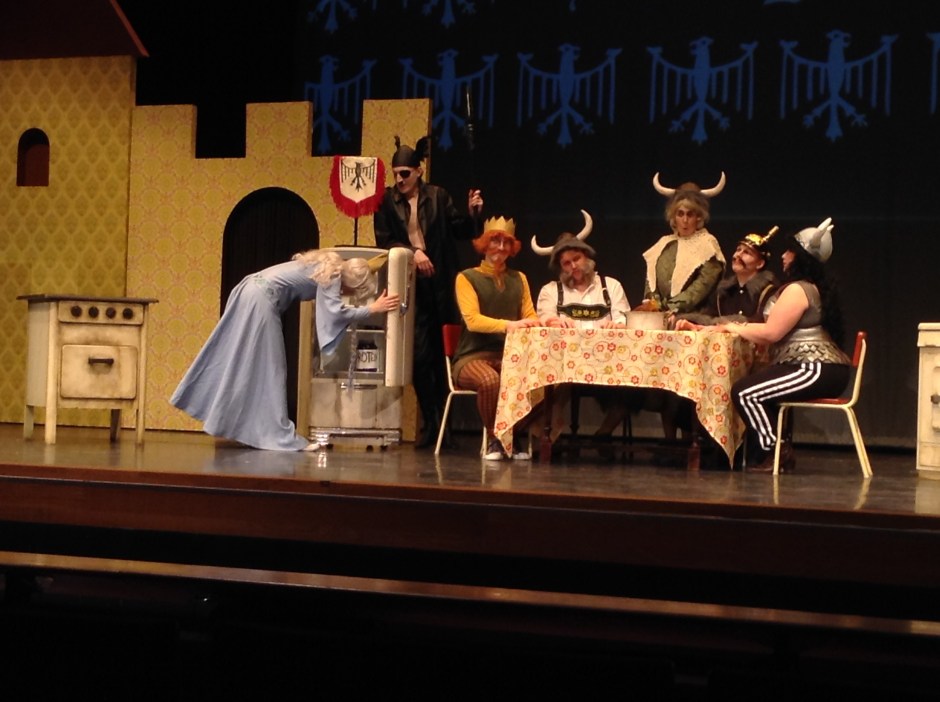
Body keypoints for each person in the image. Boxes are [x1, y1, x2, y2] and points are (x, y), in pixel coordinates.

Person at [171, 250, 400, 451]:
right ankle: (280, 437)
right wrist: (372, 309)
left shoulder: (329, 262)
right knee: (272, 369)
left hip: (248, 289)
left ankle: (240, 426)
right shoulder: (333, 275)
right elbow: (336, 312)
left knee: (241, 359)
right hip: (261, 299)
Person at [373, 135, 484, 448]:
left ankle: (444, 428)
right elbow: (384, 241)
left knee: (443, 354)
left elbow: (463, 231)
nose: (399, 180)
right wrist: (414, 252)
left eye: (405, 173)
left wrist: (474, 213)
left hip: (442, 281)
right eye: (396, 174)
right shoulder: (386, 201)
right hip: (411, 285)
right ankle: (432, 422)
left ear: (419, 171)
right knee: (419, 356)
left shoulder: (437, 196)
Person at [723, 218, 851, 473]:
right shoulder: (809, 288)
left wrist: (733, 327)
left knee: (746, 393)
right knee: (758, 391)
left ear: (801, 258)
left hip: (815, 369)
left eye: (790, 251)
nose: (783, 256)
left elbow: (772, 332)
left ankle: (777, 452)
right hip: (817, 368)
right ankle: (774, 452)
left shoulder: (798, 290)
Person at [531, 210, 641, 451]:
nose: (573, 266)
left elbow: (625, 317)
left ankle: (602, 435)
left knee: (634, 386)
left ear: (587, 257)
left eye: (577, 259)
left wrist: (617, 324)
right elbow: (544, 316)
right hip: (567, 365)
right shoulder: (551, 290)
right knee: (552, 381)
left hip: (610, 363)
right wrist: (552, 322)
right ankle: (547, 441)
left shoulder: (610, 286)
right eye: (566, 263)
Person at [638, 172, 727, 442]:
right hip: (661, 323)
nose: (685, 220)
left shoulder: (708, 245)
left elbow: (702, 286)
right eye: (681, 214)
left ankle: (691, 442)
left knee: (684, 384)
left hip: (693, 321)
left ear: (700, 217)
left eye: (691, 214)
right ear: (673, 216)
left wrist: (672, 308)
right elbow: (651, 280)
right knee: (662, 383)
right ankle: (668, 441)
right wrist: (653, 304)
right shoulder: (663, 244)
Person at [452, 216, 539, 460]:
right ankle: (495, 439)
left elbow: (530, 316)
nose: (500, 247)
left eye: (506, 242)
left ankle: (510, 436)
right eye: (495, 241)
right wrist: (510, 325)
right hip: (471, 357)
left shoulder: (519, 278)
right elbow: (473, 320)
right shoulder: (467, 277)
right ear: (484, 244)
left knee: (544, 387)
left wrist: (546, 321)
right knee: (490, 381)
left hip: (508, 356)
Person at [675, 226, 780, 329]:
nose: (738, 255)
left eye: (746, 252)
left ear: (760, 264)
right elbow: (708, 318)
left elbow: (765, 324)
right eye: (738, 250)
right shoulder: (723, 293)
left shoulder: (769, 291)